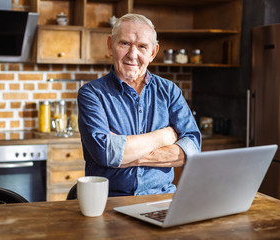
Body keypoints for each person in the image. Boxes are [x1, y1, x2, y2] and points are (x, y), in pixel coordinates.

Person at [77, 13, 201, 197]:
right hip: (109, 202)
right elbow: (105, 153)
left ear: (153, 52)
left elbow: (192, 150)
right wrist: (163, 137)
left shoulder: (169, 91)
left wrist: (125, 154)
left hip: (161, 199)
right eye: (124, 43)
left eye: (142, 47)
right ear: (110, 45)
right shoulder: (92, 93)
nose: (132, 55)